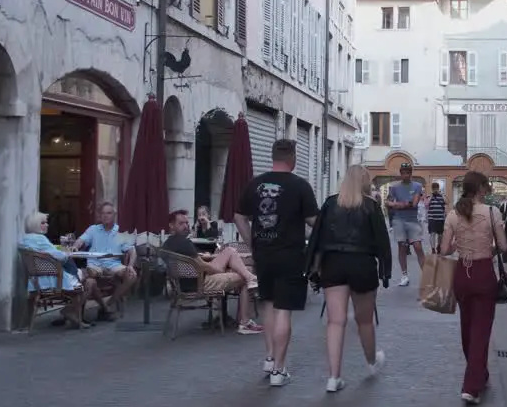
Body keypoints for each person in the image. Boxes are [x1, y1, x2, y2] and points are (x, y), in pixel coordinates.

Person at [235, 139, 319, 387]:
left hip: (264, 254)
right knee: (284, 310)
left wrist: (251, 242)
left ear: (273, 157)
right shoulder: (300, 186)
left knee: (269, 306)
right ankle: (279, 371)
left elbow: (239, 216)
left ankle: (270, 359)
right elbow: (315, 221)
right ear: (292, 158)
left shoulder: (255, 184)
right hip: (291, 255)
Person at [305, 165, 392, 392]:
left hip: (333, 264)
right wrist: (385, 272)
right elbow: (382, 242)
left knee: (335, 321)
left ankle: (333, 377)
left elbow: (317, 236)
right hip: (362, 264)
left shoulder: (330, 203)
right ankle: (372, 362)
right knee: (364, 321)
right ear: (365, 183)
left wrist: (313, 266)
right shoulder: (371, 206)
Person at [441, 171, 507, 406]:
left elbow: (445, 249)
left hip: (462, 272)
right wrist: (488, 250)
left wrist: (460, 244)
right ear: (480, 188)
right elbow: (503, 245)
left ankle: (479, 373)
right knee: (481, 330)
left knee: (467, 327)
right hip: (483, 271)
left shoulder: (452, 214)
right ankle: (471, 386)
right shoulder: (492, 212)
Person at [162, 209, 263, 334]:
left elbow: (192, 262)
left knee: (230, 252)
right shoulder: (185, 243)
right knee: (243, 275)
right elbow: (202, 266)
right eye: (181, 223)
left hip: (185, 283)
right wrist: (219, 270)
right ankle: (244, 323)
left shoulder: (167, 244)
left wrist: (204, 258)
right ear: (171, 225)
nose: (185, 226)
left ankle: (249, 278)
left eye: (187, 223)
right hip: (200, 283)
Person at [19, 211, 98, 329]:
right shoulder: (41, 239)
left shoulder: (25, 240)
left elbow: (49, 253)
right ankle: (70, 311)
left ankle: (72, 314)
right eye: (43, 223)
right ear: (35, 225)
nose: (47, 225)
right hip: (55, 282)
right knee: (89, 283)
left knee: (84, 278)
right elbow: (60, 257)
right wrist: (67, 252)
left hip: (36, 282)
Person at [70, 201, 138, 320]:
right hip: (95, 265)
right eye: (103, 213)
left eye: (109, 213)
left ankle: (108, 304)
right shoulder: (93, 229)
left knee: (132, 275)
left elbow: (132, 251)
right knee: (89, 276)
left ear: (114, 215)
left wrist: (131, 265)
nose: (105, 216)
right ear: (99, 216)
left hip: (113, 265)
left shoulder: (120, 232)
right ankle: (80, 309)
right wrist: (76, 245)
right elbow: (81, 240)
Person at [386, 162, 426, 287]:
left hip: (412, 219)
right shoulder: (394, 187)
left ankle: (426, 275)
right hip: (399, 220)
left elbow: (413, 204)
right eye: (403, 173)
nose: (405, 175)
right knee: (402, 246)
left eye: (407, 173)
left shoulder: (417, 186)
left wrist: (397, 205)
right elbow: (388, 202)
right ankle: (404, 275)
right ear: (401, 173)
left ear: (410, 173)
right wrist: (399, 204)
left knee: (418, 246)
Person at [426, 182, 447, 249]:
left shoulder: (442, 196)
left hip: (440, 218)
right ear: (432, 189)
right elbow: (426, 204)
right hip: (432, 218)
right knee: (432, 234)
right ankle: (433, 249)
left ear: (438, 188)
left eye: (436, 188)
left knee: (440, 234)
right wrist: (432, 195)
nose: (435, 189)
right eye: (434, 188)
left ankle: (438, 246)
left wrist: (441, 194)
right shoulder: (429, 196)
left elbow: (447, 202)